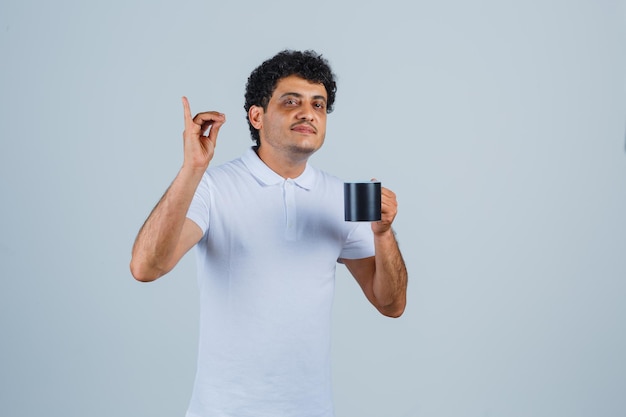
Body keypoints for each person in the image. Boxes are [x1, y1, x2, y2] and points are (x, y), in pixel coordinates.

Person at [130, 49, 408, 417]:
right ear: (257, 116)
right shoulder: (211, 187)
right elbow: (147, 268)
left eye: (319, 105)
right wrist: (191, 170)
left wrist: (383, 234)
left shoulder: (342, 198)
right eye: (291, 101)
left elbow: (391, 305)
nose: (308, 112)